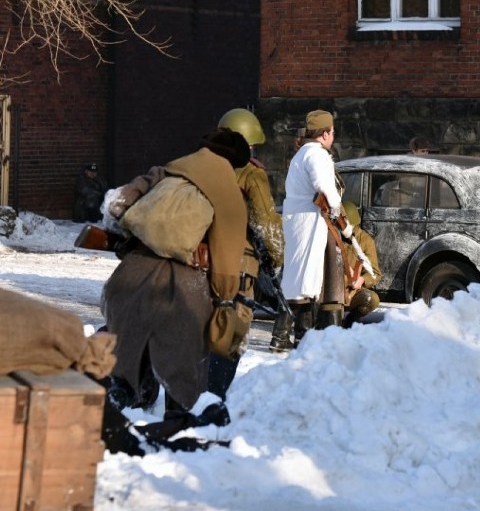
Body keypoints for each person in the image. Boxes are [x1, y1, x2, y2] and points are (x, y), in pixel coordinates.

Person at [101, 127, 250, 415]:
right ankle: (179, 418)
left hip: (130, 274)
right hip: (184, 286)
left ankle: (123, 400)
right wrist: (225, 298)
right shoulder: (229, 194)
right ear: (235, 163)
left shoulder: (167, 171)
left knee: (126, 343)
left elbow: (118, 204)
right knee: (184, 359)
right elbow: (227, 258)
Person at [208, 108, 284, 399]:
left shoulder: (206, 166)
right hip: (238, 265)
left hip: (204, 259)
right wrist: (276, 257)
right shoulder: (252, 173)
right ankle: (214, 398)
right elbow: (266, 221)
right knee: (233, 331)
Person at [271, 110, 351, 352]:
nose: (333, 136)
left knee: (298, 278)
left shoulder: (301, 155)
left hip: (300, 219)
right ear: (325, 133)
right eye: (332, 132)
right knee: (304, 279)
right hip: (308, 220)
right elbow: (324, 186)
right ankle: (298, 337)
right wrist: (337, 207)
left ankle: (287, 335)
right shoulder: (316, 155)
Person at [341, 201, 382, 327]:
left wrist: (362, 280)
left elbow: (375, 274)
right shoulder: (331, 236)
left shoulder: (365, 241)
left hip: (351, 292)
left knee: (372, 299)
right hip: (332, 290)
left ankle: (350, 322)